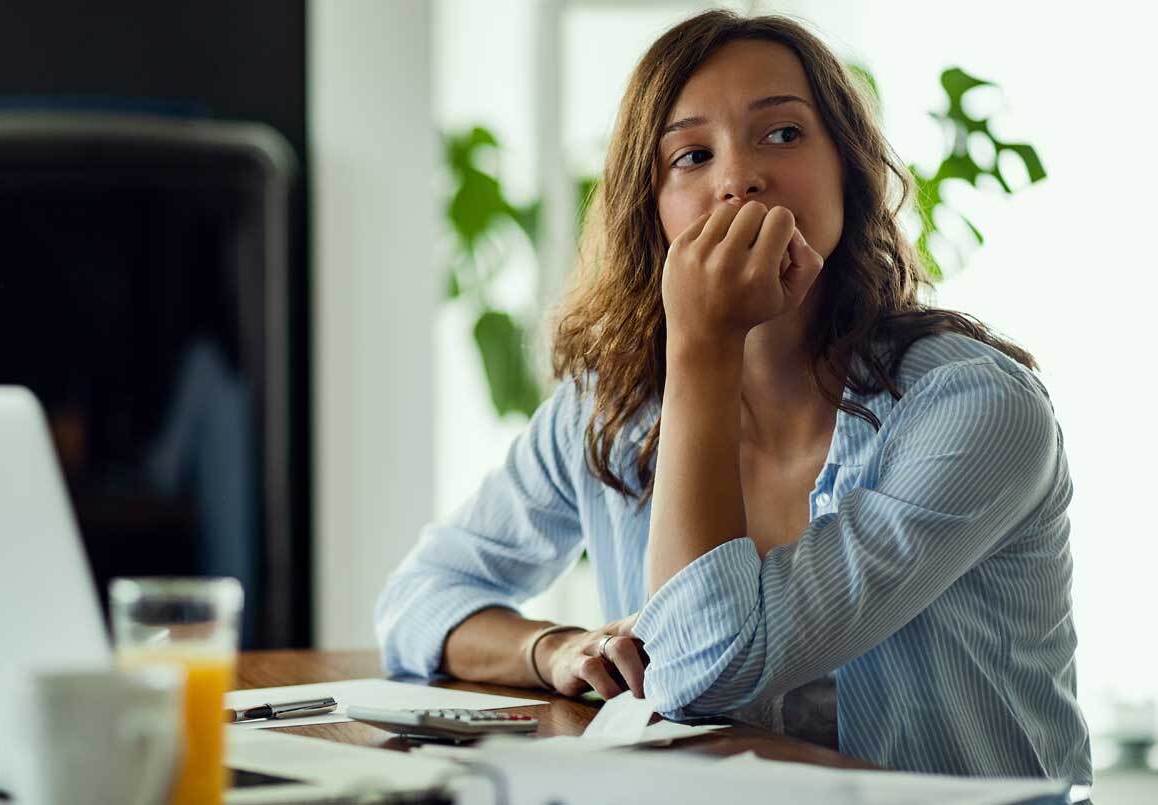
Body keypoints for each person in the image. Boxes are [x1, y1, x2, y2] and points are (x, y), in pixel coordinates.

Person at [376, 8, 1090, 785]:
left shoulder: (974, 410)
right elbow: (419, 599)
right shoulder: (609, 408)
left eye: (782, 134)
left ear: (848, 170)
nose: (737, 178)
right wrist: (550, 648)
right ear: (651, 208)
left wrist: (702, 349)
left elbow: (703, 672)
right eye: (691, 155)